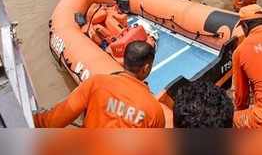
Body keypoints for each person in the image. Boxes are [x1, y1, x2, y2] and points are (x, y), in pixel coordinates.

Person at [34, 41, 165, 128]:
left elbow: (56, 119)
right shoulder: (154, 110)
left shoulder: (96, 83)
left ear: (124, 60)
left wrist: (36, 118)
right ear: (146, 68)